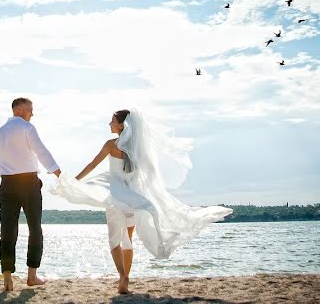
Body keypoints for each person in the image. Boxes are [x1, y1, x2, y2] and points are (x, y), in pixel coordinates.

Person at [51, 109, 232, 295]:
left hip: (114, 195)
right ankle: (125, 280)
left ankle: (122, 276)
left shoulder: (111, 145)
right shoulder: (137, 148)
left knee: (114, 240)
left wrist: (71, 181)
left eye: (112, 121)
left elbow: (91, 165)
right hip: (132, 198)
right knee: (127, 239)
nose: (109, 124)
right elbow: (151, 175)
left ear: (122, 125)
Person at [0, 97, 61, 292]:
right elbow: (42, 152)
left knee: (7, 231)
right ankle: (32, 276)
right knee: (35, 228)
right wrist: (58, 173)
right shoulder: (28, 128)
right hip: (28, 183)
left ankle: (7, 279)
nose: (32, 114)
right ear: (18, 109)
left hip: (7, 185)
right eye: (30, 109)